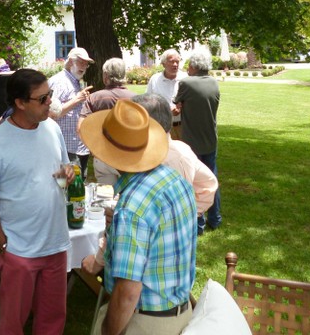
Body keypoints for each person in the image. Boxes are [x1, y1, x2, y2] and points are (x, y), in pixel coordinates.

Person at [79, 99, 197, 335]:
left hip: (145, 321)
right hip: (181, 314)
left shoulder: (132, 207)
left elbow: (127, 292)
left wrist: (108, 331)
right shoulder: (174, 180)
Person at [0, 69, 75, 335]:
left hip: (55, 242)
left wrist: (68, 173)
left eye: (50, 95)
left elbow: (63, 170)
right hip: (19, 249)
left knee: (53, 319)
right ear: (19, 103)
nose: (50, 103)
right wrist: (3, 245)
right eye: (42, 99)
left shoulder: (52, 128)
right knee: (12, 323)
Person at [81, 93, 218, 276]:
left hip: (153, 262)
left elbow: (207, 186)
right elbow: (208, 183)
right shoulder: (177, 150)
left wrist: (180, 217)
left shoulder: (167, 161)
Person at [174, 51, 221, 234]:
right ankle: (215, 218)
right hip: (210, 138)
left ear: (193, 66)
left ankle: (198, 223)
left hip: (191, 141)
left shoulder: (186, 83)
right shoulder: (214, 82)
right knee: (211, 179)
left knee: (193, 181)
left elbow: (176, 103)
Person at [77, 57, 135, 184]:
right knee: (129, 195)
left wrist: (94, 149)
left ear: (105, 76)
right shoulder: (136, 99)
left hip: (103, 156)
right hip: (129, 156)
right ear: (123, 74)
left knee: (106, 195)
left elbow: (81, 128)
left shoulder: (94, 98)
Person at [48, 47, 94, 177]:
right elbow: (51, 114)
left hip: (80, 147)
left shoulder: (76, 81)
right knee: (69, 186)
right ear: (70, 62)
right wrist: (77, 99)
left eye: (86, 64)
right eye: (80, 62)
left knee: (79, 185)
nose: (84, 66)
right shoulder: (59, 82)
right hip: (66, 148)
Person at [146, 49, 188, 140]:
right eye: (172, 62)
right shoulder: (155, 80)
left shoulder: (186, 78)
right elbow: (147, 103)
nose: (175, 64)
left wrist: (182, 107)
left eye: (177, 61)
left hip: (183, 127)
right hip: (162, 128)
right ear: (163, 64)